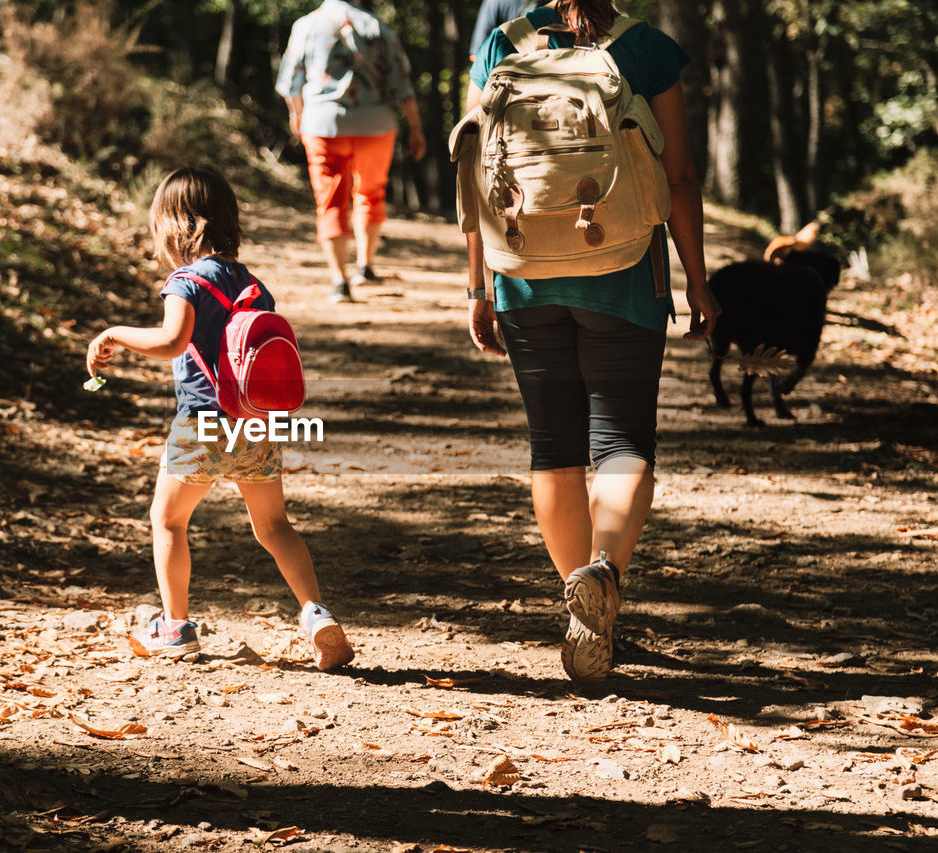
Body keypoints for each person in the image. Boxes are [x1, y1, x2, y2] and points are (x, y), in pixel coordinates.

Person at [463, 0, 720, 683]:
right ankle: (603, 572)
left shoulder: (500, 45)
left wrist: (477, 287)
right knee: (623, 440)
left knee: (554, 444)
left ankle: (581, 612)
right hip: (626, 268)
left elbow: (475, 172)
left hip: (522, 270)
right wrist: (698, 281)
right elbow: (681, 178)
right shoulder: (648, 51)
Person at [85, 166, 355, 672]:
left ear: (173, 227)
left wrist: (115, 333)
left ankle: (176, 627)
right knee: (275, 526)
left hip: (202, 425)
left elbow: (171, 342)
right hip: (258, 423)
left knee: (167, 521)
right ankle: (316, 614)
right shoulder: (252, 284)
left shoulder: (185, 281)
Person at [276, 0, 427, 303]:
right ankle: (365, 266)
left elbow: (291, 80)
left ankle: (338, 281)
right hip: (376, 124)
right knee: (371, 193)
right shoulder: (375, 26)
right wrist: (415, 127)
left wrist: (297, 114)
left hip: (322, 125)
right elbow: (401, 82)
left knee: (330, 201)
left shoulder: (305, 26)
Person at [468, 0, 538, 61]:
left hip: (502, 69)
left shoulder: (494, 2)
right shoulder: (545, 3)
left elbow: (476, 55)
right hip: (539, 68)